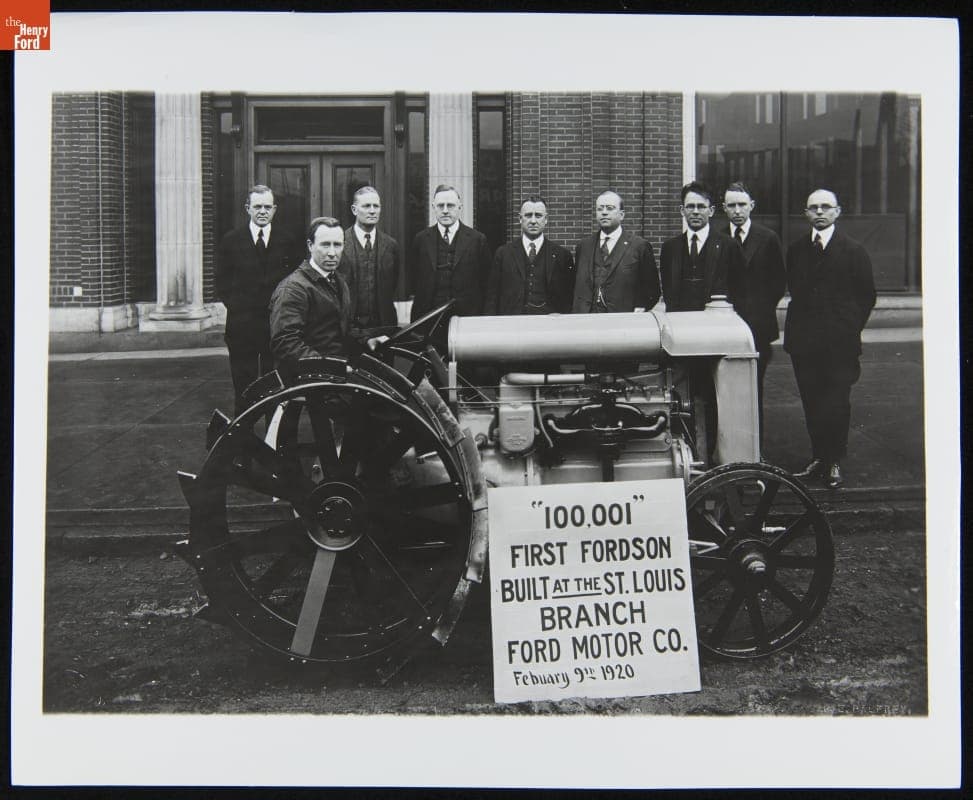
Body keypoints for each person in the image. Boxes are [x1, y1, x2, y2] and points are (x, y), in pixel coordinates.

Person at [785, 189, 876, 489]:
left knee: (836, 402)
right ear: (806, 213)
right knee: (811, 402)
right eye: (814, 207)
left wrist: (848, 328)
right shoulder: (797, 250)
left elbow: (866, 296)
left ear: (837, 212)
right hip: (805, 344)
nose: (820, 212)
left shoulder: (853, 250)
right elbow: (797, 291)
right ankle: (819, 457)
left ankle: (834, 459)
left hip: (839, 345)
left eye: (826, 207)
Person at [216, 185, 302, 415]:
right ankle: (244, 434)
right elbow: (222, 283)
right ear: (248, 209)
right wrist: (240, 307)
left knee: (274, 385)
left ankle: (273, 435)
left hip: (275, 327)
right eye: (257, 207)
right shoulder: (231, 240)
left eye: (267, 207)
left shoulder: (288, 240)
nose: (262, 211)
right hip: (241, 327)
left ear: (274, 209)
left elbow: (294, 280)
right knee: (243, 386)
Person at [269, 217, 386, 380]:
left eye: (337, 245)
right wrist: (330, 368)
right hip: (307, 382)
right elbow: (286, 343)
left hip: (337, 375)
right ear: (310, 246)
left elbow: (343, 329)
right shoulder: (294, 289)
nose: (332, 253)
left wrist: (367, 341)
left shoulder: (339, 281)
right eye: (325, 245)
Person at [723, 181, 787, 440]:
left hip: (758, 328)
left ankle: (754, 447)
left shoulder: (768, 238)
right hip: (726, 327)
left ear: (752, 206)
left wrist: (758, 311)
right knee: (726, 391)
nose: (737, 210)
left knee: (753, 390)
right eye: (732, 205)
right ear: (724, 208)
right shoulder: (718, 237)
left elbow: (778, 282)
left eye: (742, 204)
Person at [408, 184, 492, 323]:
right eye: (441, 206)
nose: (445, 211)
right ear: (434, 207)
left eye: (450, 205)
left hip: (466, 318)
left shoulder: (477, 240)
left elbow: (486, 283)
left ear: (460, 207)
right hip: (429, 319)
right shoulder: (421, 239)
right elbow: (413, 280)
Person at [659, 180, 745, 313]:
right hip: (679, 321)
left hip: (716, 321)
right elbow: (668, 292)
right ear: (682, 210)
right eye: (690, 206)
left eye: (701, 207)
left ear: (711, 211)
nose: (695, 212)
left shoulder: (729, 246)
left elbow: (739, 291)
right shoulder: (669, 248)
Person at [572, 190, 660, 313]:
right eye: (600, 209)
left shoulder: (639, 246)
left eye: (610, 208)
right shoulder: (584, 246)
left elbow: (652, 289)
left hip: (623, 318)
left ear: (622, 215)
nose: (604, 212)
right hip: (588, 319)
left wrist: (640, 308)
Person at [485, 195, 575, 315]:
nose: (533, 221)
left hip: (549, 323)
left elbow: (569, 298)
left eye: (538, 216)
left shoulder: (562, 256)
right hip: (512, 323)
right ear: (520, 219)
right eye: (528, 215)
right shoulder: (503, 254)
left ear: (546, 219)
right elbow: (492, 298)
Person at [337, 186, 402, 341]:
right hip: (349, 329)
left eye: (376, 206)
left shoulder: (391, 245)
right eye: (366, 206)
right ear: (354, 210)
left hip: (384, 326)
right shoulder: (340, 243)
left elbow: (393, 283)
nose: (372, 211)